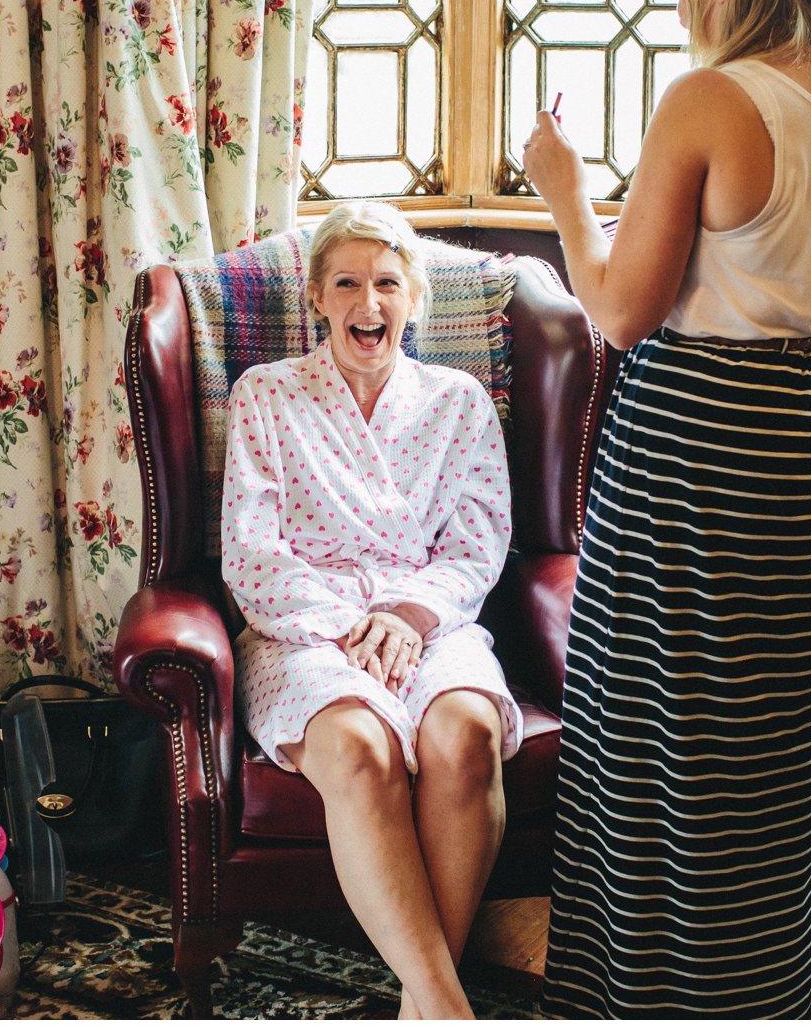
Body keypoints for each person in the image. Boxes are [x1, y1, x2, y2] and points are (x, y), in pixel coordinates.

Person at [524, 0, 811, 1017]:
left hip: (711, 432)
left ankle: (654, 989)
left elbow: (617, 310)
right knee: (778, 722)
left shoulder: (710, 98)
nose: (686, 6)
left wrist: (564, 190)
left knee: (666, 708)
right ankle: (749, 983)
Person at [219, 200, 520, 1020]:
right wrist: (348, 628)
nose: (369, 302)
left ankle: (419, 1004)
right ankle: (447, 1008)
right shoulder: (266, 395)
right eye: (347, 282)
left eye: (388, 282)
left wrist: (409, 615)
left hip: (430, 617)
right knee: (358, 748)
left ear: (413, 298)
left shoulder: (457, 401)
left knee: (468, 732)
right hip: (302, 627)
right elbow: (251, 553)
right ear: (317, 296)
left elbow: (480, 539)